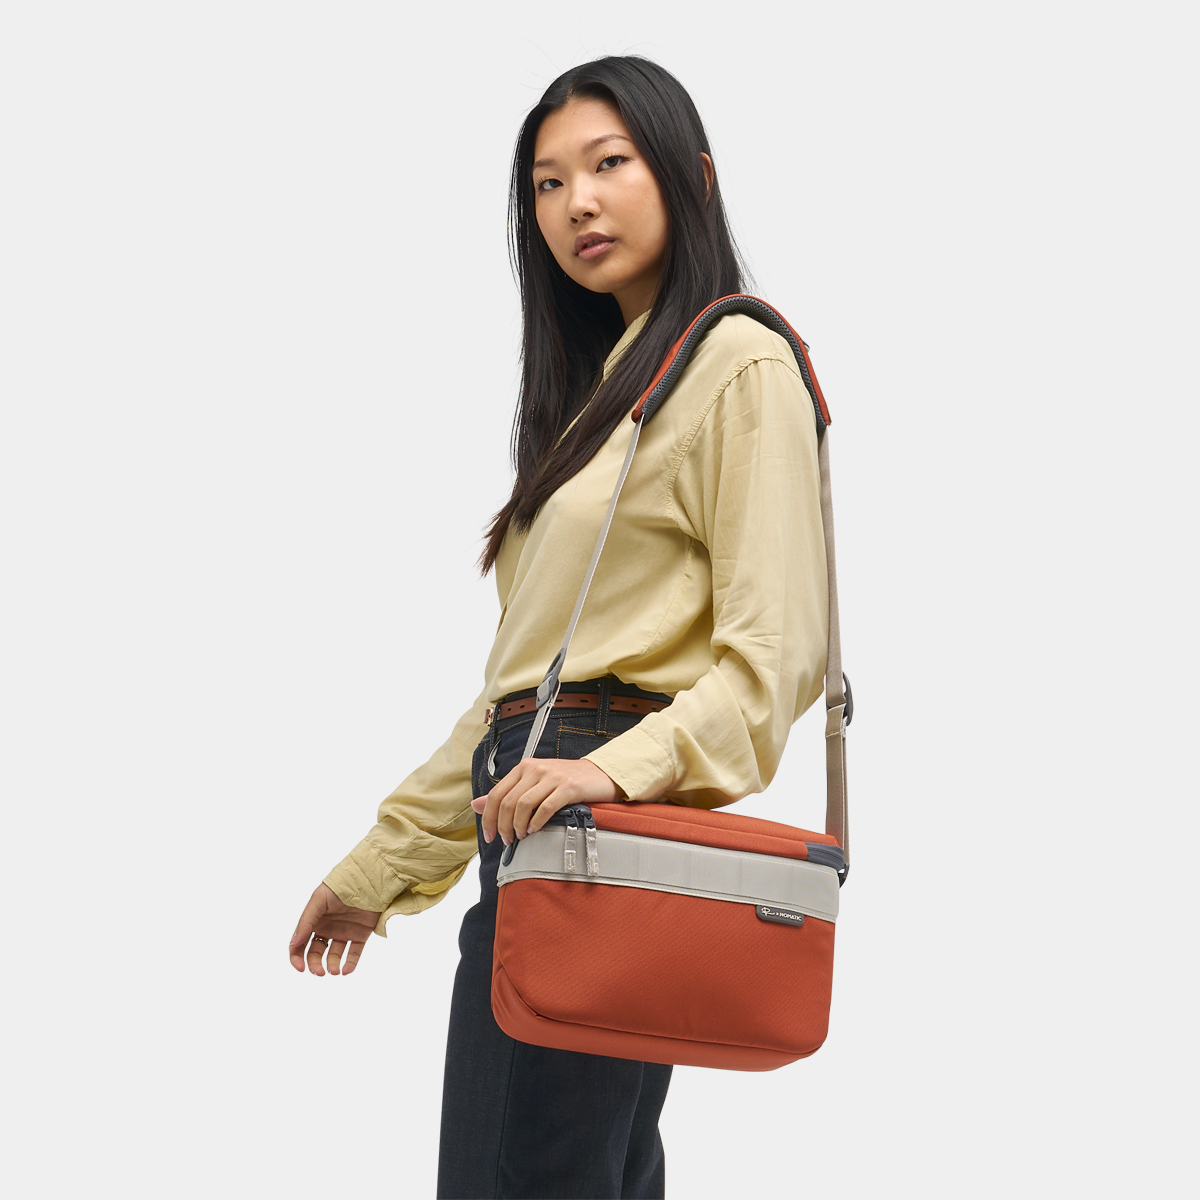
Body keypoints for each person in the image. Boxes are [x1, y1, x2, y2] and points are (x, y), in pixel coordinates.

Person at [288, 56, 829, 1200]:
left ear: (693, 176)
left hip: (592, 823)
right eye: (546, 183)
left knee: (524, 1176)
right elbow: (519, 701)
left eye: (609, 163)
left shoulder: (736, 361)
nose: (576, 202)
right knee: (571, 1172)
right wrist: (382, 866)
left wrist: (607, 774)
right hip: (545, 810)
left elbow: (773, 660)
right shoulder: (607, 397)